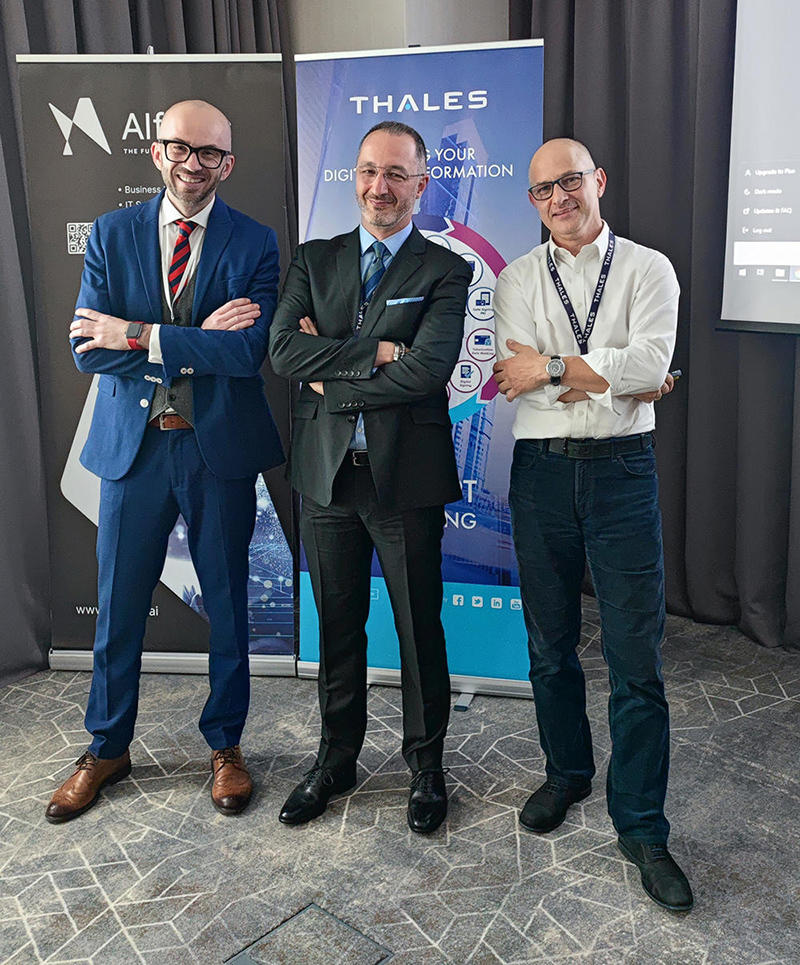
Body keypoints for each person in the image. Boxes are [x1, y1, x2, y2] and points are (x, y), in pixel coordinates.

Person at [46, 100, 284, 823]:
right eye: (181, 147)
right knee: (119, 606)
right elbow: (87, 347)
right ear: (156, 153)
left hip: (219, 449)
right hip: (133, 451)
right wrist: (184, 337)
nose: (194, 162)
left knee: (229, 606)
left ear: (228, 164)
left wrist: (138, 333)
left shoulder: (257, 242)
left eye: (210, 152)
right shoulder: (112, 236)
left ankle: (226, 745)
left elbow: (247, 353)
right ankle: (106, 746)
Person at [492, 138, 692, 911]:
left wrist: (554, 367)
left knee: (635, 658)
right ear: (533, 201)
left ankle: (642, 824)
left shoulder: (650, 269)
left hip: (621, 476)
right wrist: (615, 379)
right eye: (543, 189)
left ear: (597, 181)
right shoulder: (515, 277)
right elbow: (523, 381)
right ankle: (567, 771)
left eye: (570, 181)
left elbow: (649, 366)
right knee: (548, 645)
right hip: (540, 476)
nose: (559, 198)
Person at [269, 121, 471, 834]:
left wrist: (338, 373)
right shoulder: (314, 259)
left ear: (420, 184)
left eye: (395, 174)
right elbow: (286, 353)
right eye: (366, 172)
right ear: (351, 178)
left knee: (419, 628)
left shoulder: (447, 269)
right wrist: (375, 351)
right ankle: (335, 759)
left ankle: (427, 766)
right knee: (338, 627)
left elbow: (426, 371)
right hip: (326, 478)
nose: (378, 187)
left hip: (404, 481)